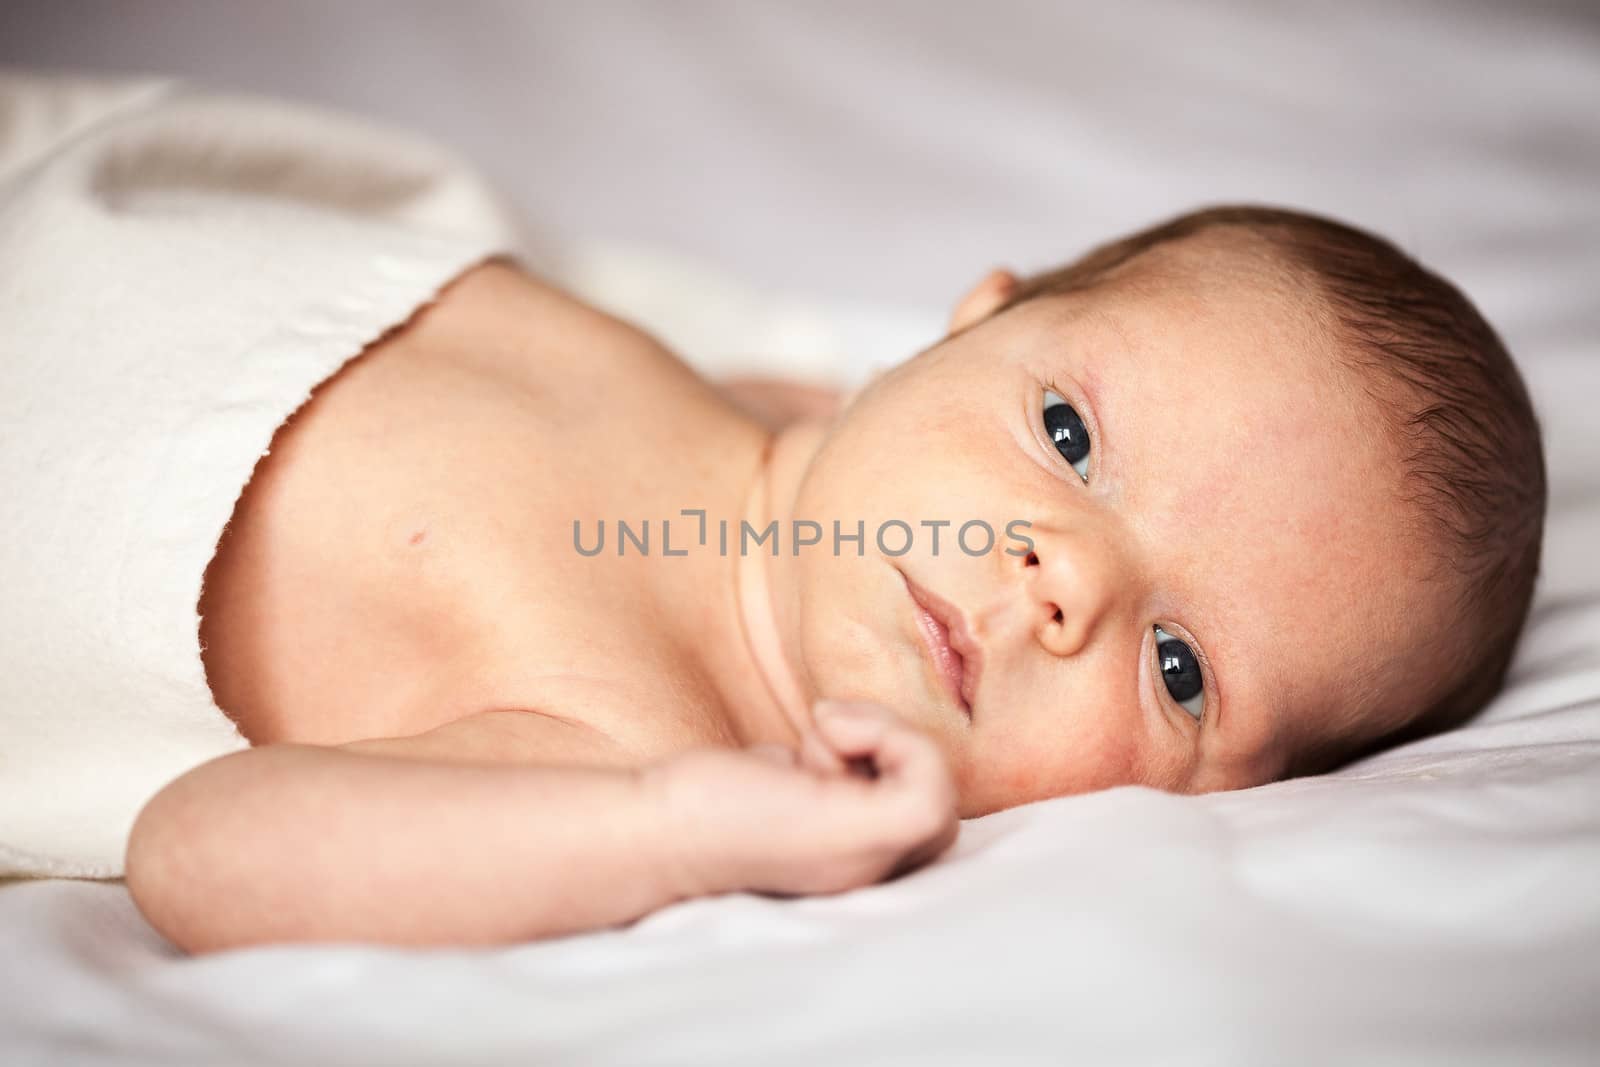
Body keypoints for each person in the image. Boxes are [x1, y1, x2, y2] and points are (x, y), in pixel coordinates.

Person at [0, 73, 1545, 952]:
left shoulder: (624, 741)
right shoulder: (772, 403)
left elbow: (204, 854)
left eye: (1181, 667)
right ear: (961, 327)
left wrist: (670, 833)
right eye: (1068, 432)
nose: (1060, 577)